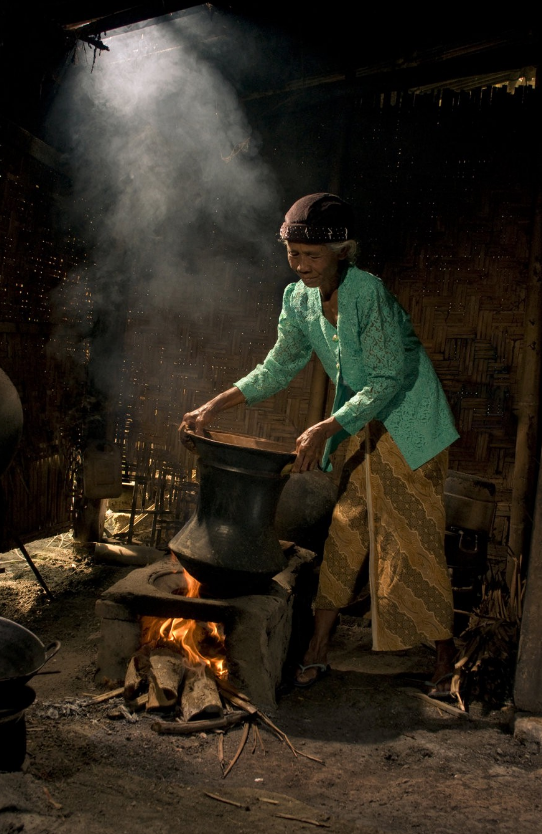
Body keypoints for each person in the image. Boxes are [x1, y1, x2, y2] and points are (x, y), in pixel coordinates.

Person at [179, 192, 459, 697]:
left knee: (410, 538)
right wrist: (214, 406)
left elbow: (389, 377)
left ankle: (444, 658)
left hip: (410, 422)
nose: (302, 265)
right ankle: (317, 650)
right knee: (346, 530)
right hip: (360, 423)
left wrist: (329, 426)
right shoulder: (298, 299)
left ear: (342, 252)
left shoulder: (366, 292)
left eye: (313, 256)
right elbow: (279, 366)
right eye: (294, 253)